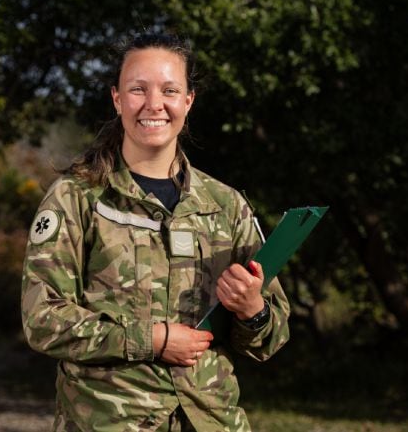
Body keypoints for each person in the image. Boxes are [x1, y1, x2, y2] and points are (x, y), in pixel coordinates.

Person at [21, 32, 290, 432]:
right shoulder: (77, 198)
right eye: (137, 89)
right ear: (116, 98)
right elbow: (42, 319)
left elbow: (271, 338)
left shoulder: (226, 205)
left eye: (169, 90)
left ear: (188, 101)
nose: (154, 104)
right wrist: (153, 339)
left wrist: (252, 309)